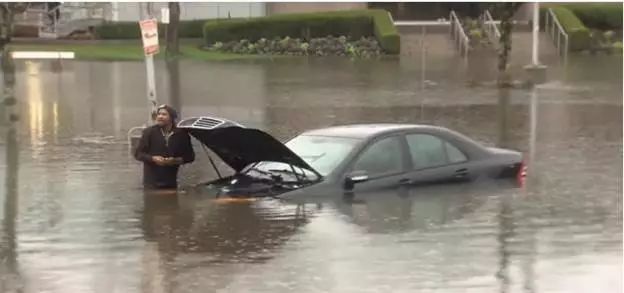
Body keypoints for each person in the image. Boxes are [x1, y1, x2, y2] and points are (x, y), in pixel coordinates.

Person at [134, 104, 195, 190]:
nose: (160, 117)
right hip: (151, 183)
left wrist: (174, 161)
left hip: (171, 182)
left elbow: (190, 157)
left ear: (172, 118)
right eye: (159, 114)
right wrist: (153, 158)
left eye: (164, 114)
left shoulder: (181, 134)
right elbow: (138, 154)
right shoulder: (149, 132)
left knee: (171, 202)